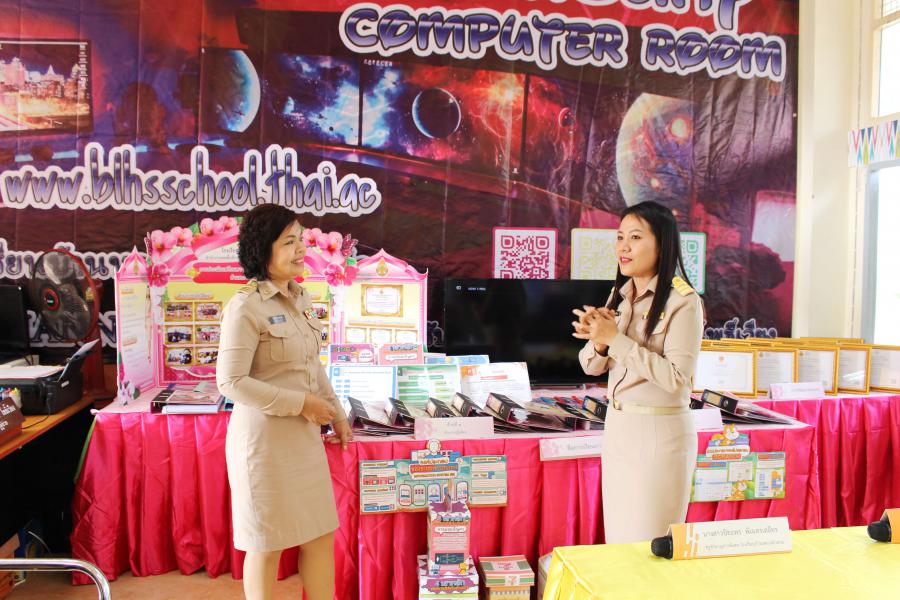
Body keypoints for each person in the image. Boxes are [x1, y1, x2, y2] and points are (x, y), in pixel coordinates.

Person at [217, 204, 353, 600]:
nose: (301, 249)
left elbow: (313, 366)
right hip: (264, 446)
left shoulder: (300, 298)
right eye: (289, 242)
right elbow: (231, 382)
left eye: (301, 240)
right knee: (267, 543)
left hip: (303, 441)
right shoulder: (245, 306)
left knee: (320, 534)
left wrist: (337, 415)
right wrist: (302, 404)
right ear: (264, 250)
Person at [572, 200, 703, 544]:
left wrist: (615, 340)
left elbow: (677, 380)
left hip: (659, 435)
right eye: (619, 237)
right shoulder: (620, 294)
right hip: (618, 429)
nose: (623, 247)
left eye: (635, 237)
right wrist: (600, 341)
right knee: (619, 543)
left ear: (662, 244)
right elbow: (589, 365)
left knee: (647, 544)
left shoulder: (683, 301)